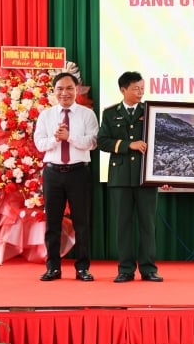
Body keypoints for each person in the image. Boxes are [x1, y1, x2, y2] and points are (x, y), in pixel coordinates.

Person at [97, 71, 164, 283]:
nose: (140, 92)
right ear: (123, 90)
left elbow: (160, 143)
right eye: (136, 89)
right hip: (120, 177)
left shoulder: (150, 111)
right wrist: (128, 145)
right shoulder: (109, 114)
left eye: (142, 88)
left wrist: (164, 173)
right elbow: (103, 142)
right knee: (123, 225)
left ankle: (148, 269)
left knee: (147, 224)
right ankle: (125, 269)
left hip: (146, 178)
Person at [34, 72, 99, 282]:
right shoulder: (46, 116)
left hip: (78, 172)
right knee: (52, 224)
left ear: (77, 90)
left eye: (69, 88)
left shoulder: (87, 115)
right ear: (54, 92)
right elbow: (39, 144)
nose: (65, 93)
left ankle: (82, 268)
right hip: (53, 173)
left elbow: (92, 143)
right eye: (60, 89)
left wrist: (68, 137)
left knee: (82, 223)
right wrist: (55, 138)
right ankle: (53, 267)